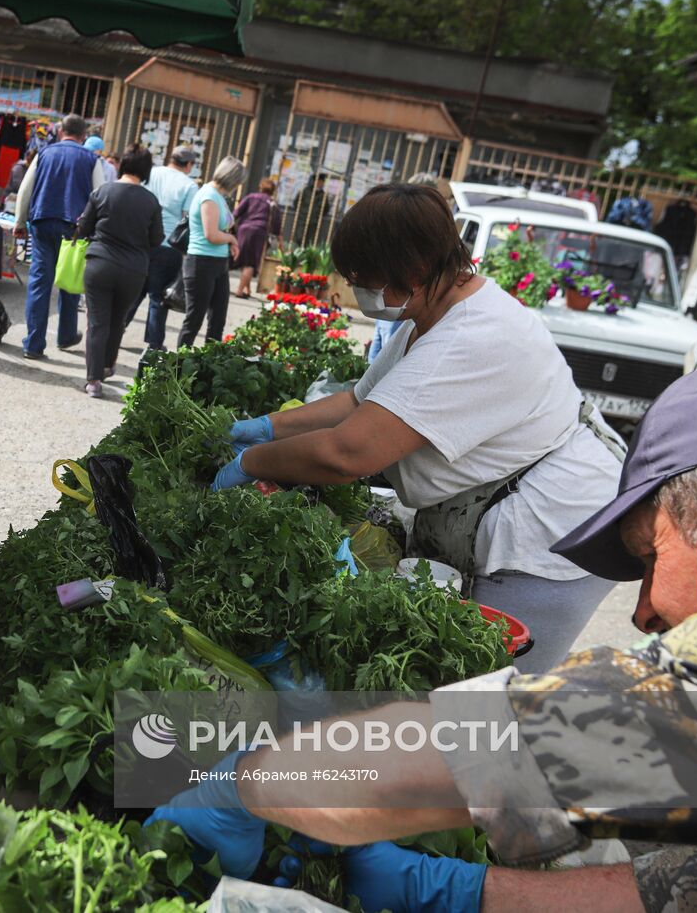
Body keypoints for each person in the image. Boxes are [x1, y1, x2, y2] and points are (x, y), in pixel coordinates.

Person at [152, 360, 697, 912]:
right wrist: (465, 889)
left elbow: (473, 753)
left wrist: (246, 781)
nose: (642, 611)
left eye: (650, 557)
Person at [213, 184, 626, 669]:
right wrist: (266, 427)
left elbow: (348, 453)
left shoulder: (468, 336)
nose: (355, 289)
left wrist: (250, 461)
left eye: (362, 278)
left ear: (408, 270)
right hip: (513, 506)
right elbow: (356, 403)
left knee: (487, 697)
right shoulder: (429, 312)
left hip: (548, 537)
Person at [14, 113, 107, 359]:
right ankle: (65, 335)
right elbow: (100, 195)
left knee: (39, 281)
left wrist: (18, 221)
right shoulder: (90, 159)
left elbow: (26, 189)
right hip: (75, 228)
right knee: (70, 276)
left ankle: (33, 344)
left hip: (43, 221)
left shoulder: (44, 153)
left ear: (59, 131)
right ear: (84, 135)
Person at [73, 146, 163, 397]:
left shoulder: (102, 192)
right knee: (117, 320)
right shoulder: (151, 201)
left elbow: (83, 227)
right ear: (146, 170)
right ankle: (107, 365)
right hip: (134, 269)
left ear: (123, 164)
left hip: (100, 263)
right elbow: (156, 239)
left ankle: (93, 381)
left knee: (97, 322)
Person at [125, 144, 199, 351]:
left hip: (143, 240)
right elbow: (187, 219)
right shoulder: (190, 186)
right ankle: (154, 343)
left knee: (136, 290)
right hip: (169, 245)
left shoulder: (151, 173)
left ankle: (119, 327)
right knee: (158, 297)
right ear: (189, 164)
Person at [367, 172, 441, 360]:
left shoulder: (417, 220)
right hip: (397, 292)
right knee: (386, 351)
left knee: (384, 350)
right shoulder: (409, 219)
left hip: (399, 294)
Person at [178, 156, 244, 350]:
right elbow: (211, 235)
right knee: (194, 319)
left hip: (218, 263)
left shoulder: (218, 196)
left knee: (218, 319)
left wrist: (228, 239)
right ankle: (178, 366)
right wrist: (231, 239)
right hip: (201, 262)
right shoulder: (208, 195)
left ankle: (209, 365)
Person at [231, 177, 283, 298]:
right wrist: (280, 243)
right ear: (273, 191)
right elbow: (277, 226)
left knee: (245, 259)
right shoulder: (273, 204)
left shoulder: (251, 197)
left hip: (244, 230)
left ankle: (247, 290)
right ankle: (239, 291)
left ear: (260, 187)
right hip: (259, 233)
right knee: (251, 263)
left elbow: (236, 213)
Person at [293, 172, 334, 245]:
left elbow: (326, 209)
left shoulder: (323, 196)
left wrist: (318, 216)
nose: (320, 184)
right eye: (319, 182)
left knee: (310, 242)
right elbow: (296, 202)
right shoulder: (306, 191)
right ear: (315, 182)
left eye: (322, 182)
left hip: (314, 223)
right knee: (299, 238)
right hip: (302, 219)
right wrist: (301, 213)